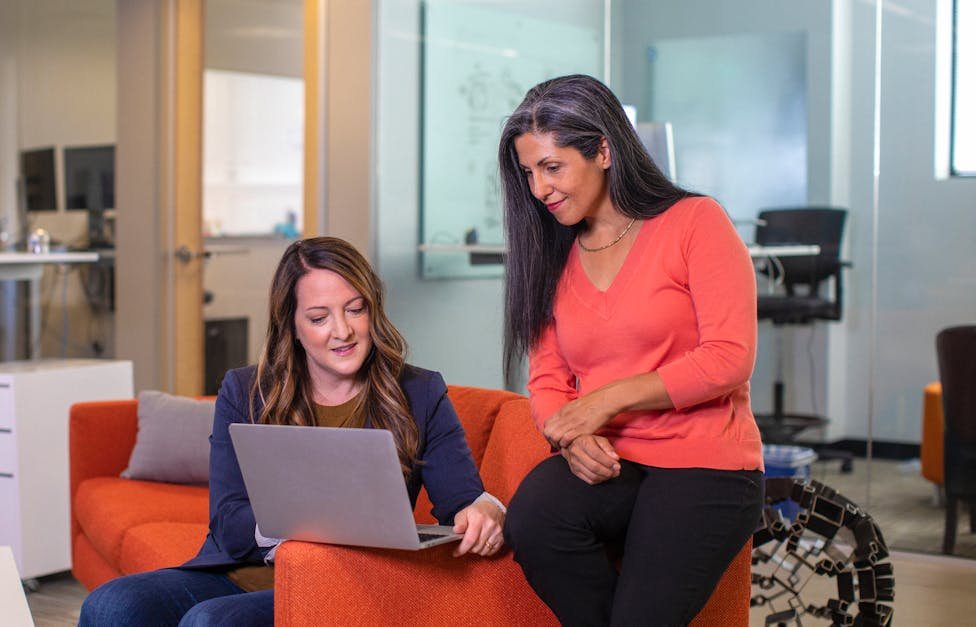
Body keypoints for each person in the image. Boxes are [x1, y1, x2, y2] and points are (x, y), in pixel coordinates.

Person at [79, 236, 505, 626]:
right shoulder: (246, 391)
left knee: (212, 622)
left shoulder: (419, 391)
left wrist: (485, 511)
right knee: (110, 605)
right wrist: (301, 526)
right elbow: (228, 523)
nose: (343, 331)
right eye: (319, 318)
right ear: (292, 326)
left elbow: (461, 502)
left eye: (356, 309)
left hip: (346, 581)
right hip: (243, 572)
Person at [497, 74, 764, 626]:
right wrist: (569, 435)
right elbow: (547, 380)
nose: (540, 189)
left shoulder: (695, 222)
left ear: (603, 150)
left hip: (705, 461)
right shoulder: (552, 253)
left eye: (552, 167)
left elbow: (729, 355)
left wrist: (607, 401)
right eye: (529, 174)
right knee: (534, 518)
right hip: (612, 460)